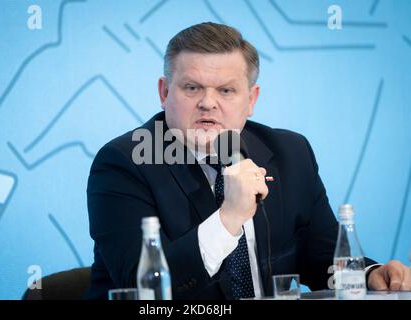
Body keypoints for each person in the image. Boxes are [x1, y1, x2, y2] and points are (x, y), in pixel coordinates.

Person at [85, 22, 410, 299]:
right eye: (192, 87)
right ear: (163, 92)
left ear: (251, 99)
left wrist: (370, 273)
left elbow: (320, 255)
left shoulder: (290, 153)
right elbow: (146, 290)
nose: (208, 103)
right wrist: (228, 218)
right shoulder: (124, 163)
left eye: (226, 91)